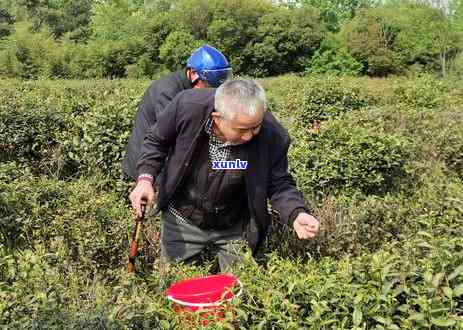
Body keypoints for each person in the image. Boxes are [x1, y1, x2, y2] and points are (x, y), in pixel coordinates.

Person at [129, 78, 320, 271]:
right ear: (217, 118)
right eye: (242, 129)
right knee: (175, 281)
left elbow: (278, 182)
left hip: (234, 224)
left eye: (256, 127)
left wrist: (296, 212)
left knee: (238, 288)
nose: (249, 136)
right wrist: (145, 179)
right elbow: (156, 141)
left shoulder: (273, 135)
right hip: (182, 215)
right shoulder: (187, 107)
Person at [122, 44, 232, 180]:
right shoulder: (168, 91)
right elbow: (174, 135)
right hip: (149, 164)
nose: (210, 94)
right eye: (208, 87)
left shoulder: (193, 89)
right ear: (193, 74)